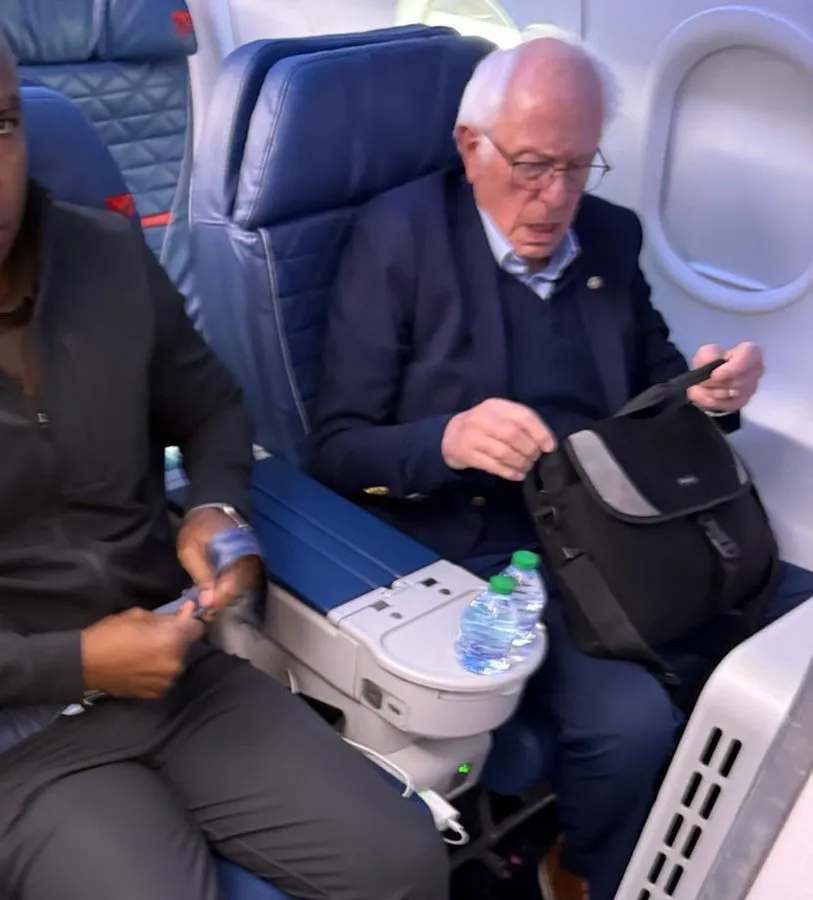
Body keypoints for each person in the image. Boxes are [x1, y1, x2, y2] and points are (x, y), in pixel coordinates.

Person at [309, 35, 813, 900]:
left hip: (620, 516)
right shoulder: (398, 238)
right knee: (626, 720)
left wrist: (714, 394)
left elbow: (658, 389)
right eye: (533, 166)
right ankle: (581, 869)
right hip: (491, 549)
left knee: (797, 621)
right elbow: (336, 447)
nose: (556, 198)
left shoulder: (608, 237)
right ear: (472, 147)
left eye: (579, 167)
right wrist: (444, 440)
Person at [0, 33, 448, 900]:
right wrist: (79, 663)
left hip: (174, 660)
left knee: (404, 859)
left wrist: (216, 509)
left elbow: (210, 409)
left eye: (0, 126)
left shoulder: (104, 256)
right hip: (23, 733)